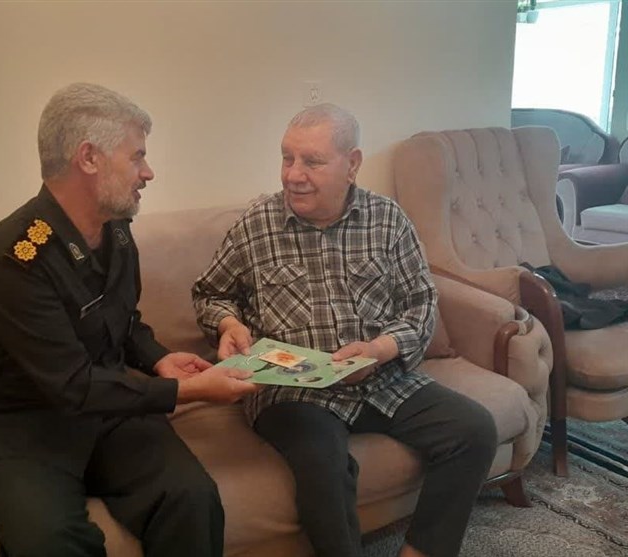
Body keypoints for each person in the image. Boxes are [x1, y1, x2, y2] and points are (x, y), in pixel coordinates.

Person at [192, 103, 498, 557]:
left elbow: (420, 303)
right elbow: (209, 294)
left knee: (474, 429)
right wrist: (229, 323)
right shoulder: (257, 224)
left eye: (312, 162)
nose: (293, 175)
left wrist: (380, 350)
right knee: (323, 466)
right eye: (287, 158)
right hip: (294, 391)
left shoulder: (388, 220)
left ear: (351, 164)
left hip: (379, 377)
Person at [0, 82, 258, 557]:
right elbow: (72, 385)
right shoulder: (13, 259)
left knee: (192, 498)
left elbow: (122, 323)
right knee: (51, 544)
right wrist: (184, 391)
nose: (148, 172)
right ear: (89, 158)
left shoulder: (116, 231)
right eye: (136, 156)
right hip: (28, 431)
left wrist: (159, 359)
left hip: (110, 414)